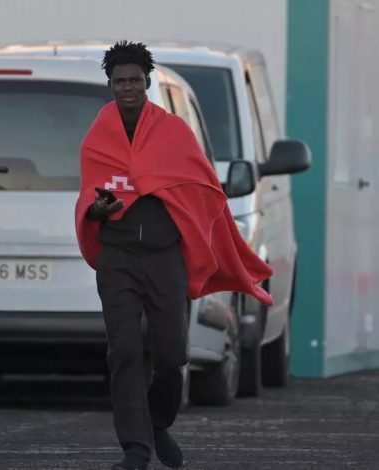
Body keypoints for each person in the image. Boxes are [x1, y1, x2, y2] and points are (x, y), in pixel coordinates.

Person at [74, 41, 274, 470]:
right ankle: (135, 448)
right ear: (109, 85)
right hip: (118, 257)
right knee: (124, 352)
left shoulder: (174, 132)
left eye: (134, 81)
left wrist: (165, 193)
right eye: (118, 81)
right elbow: (89, 194)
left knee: (170, 355)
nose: (126, 87)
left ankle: (158, 421)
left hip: (165, 257)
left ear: (146, 83)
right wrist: (98, 210)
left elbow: (202, 187)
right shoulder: (98, 135)